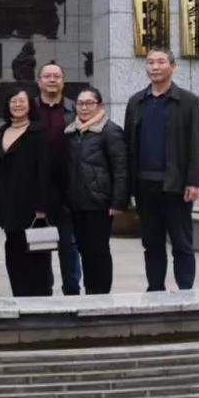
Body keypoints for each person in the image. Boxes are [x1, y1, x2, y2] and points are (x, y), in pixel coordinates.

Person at [125, 47, 199, 292]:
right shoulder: (136, 102)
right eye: (150, 62)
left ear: (173, 67)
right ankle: (155, 289)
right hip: (144, 185)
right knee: (152, 243)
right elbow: (129, 145)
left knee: (181, 242)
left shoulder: (188, 101)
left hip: (176, 185)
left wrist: (194, 181)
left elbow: (195, 143)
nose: (155, 67)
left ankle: (185, 290)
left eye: (160, 62)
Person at [64, 86, 129, 295]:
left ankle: (100, 293)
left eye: (89, 103)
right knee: (84, 249)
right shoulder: (71, 131)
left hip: (100, 203)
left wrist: (118, 202)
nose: (84, 108)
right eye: (80, 104)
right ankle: (90, 291)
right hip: (77, 202)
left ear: (100, 105)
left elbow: (121, 169)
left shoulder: (111, 131)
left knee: (98, 250)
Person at [0, 87, 52, 297]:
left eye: (22, 101)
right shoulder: (4, 131)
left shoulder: (38, 131)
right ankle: (19, 294)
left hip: (31, 203)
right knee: (13, 250)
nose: (17, 105)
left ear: (30, 105)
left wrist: (42, 206)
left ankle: (40, 298)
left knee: (36, 252)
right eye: (13, 101)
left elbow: (45, 169)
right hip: (9, 202)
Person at [35, 61, 82, 296]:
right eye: (47, 76)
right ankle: (43, 290)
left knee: (69, 243)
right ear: (39, 81)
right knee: (40, 242)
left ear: (63, 81)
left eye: (57, 76)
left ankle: (72, 290)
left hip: (69, 186)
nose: (52, 80)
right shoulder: (29, 108)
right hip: (38, 187)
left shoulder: (76, 109)